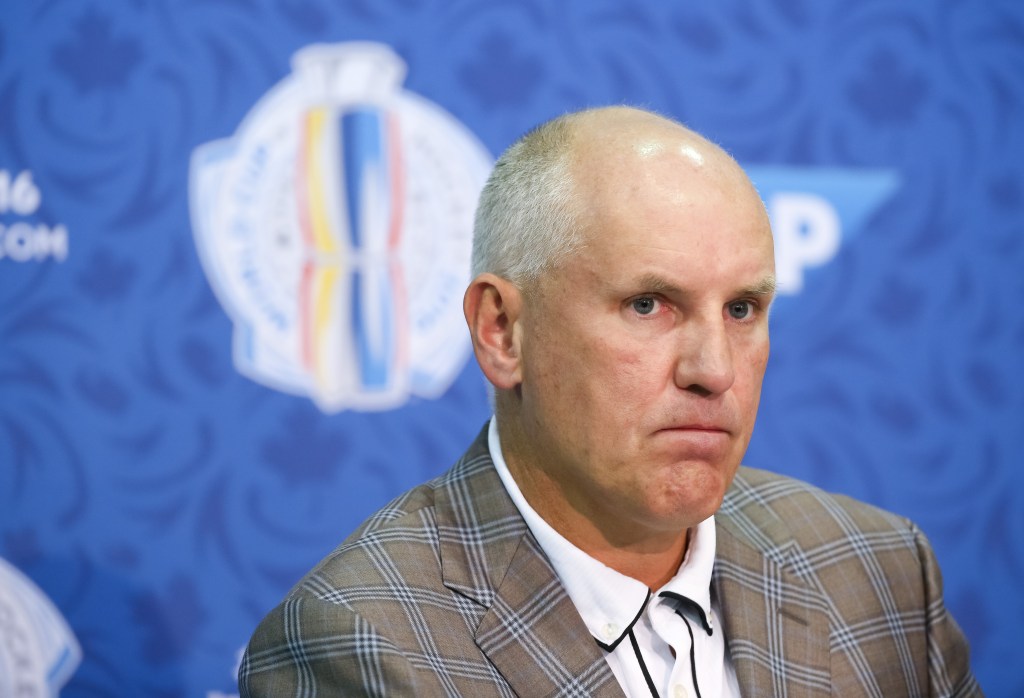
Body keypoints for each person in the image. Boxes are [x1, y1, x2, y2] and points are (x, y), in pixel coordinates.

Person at [239, 106, 980, 697]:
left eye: (743, 309)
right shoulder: (363, 644)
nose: (713, 370)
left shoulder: (880, 572)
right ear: (502, 331)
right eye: (649, 305)